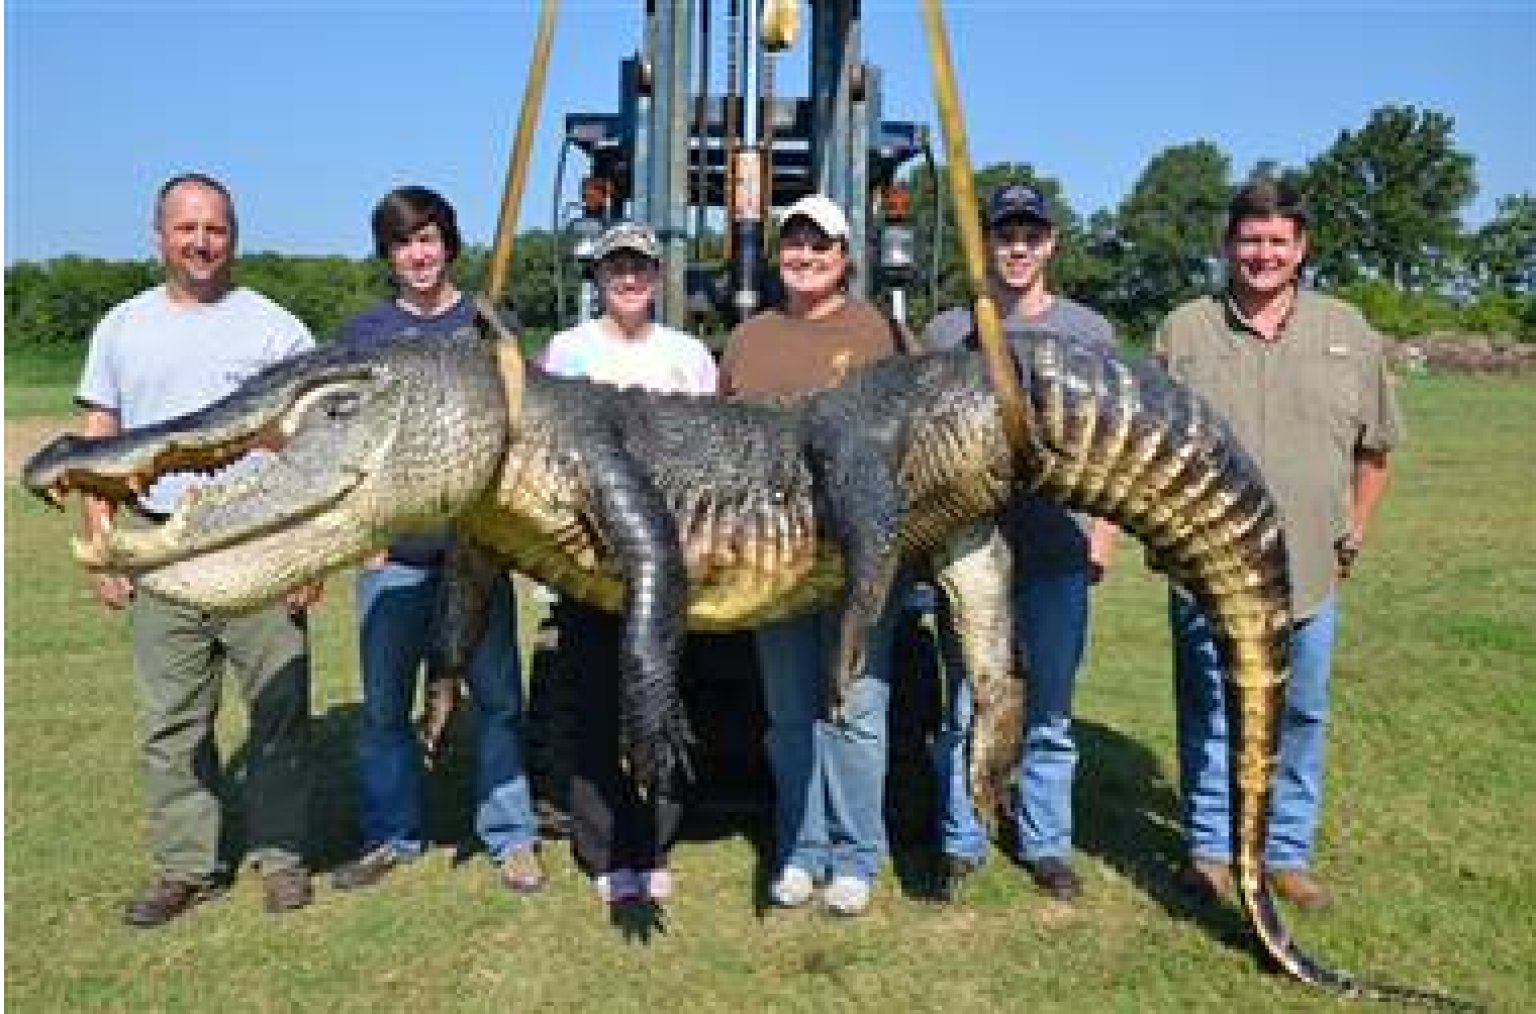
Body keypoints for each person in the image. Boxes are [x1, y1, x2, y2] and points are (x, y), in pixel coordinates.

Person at [77, 172, 320, 926]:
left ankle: (282, 857)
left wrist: (305, 555)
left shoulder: (277, 329)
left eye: (214, 228)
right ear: (160, 237)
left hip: (257, 546)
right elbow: (99, 439)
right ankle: (187, 866)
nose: (201, 241)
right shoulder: (122, 327)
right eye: (187, 228)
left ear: (234, 235)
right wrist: (103, 541)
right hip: (160, 548)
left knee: (278, 713)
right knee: (173, 722)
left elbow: (314, 446)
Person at [1155, 177, 1403, 912]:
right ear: (1228, 246)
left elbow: (1376, 448)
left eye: (1277, 241)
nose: (1262, 254)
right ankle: (1209, 850)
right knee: (1209, 710)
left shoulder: (1348, 329)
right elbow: (1149, 448)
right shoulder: (1185, 330)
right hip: (1209, 570)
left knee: (1301, 711)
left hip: (1308, 571)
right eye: (1249, 239)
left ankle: (1286, 853)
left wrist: (1357, 523)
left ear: (1301, 249)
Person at [328, 186, 545, 895]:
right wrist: (365, 536)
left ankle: (511, 836)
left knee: (497, 703)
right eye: (401, 243)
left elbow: (526, 433)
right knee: (387, 710)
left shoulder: (489, 325)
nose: (416, 254)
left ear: (448, 243)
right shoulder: (363, 335)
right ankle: (391, 834)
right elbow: (336, 436)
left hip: (476, 555)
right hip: (394, 559)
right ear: (388, 255)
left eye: (426, 238)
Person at [922, 182, 1119, 902]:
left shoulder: (1089, 331)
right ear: (988, 243)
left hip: (1056, 547)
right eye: (1005, 234)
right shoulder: (948, 333)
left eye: (1030, 234)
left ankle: (1044, 842)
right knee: (966, 703)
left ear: (1050, 243)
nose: (1017, 247)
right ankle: (962, 838)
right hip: (970, 554)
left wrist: (1103, 538)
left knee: (1051, 710)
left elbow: (1112, 446)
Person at [719, 193, 909, 916]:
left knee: (855, 708)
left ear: (845, 257)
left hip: (860, 558)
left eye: (820, 247)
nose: (805, 257)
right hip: (776, 559)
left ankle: (859, 855)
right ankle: (802, 850)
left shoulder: (881, 332)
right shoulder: (748, 338)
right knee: (790, 713)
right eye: (794, 245)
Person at [540, 221, 719, 904]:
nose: (629, 277)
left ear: (657, 275)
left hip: (670, 564)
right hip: (592, 561)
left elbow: (713, 456)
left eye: (640, 266)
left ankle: (654, 843)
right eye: (617, 265)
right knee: (594, 703)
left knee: (666, 703)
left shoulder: (689, 356)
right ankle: (603, 849)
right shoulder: (567, 351)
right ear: (599, 275)